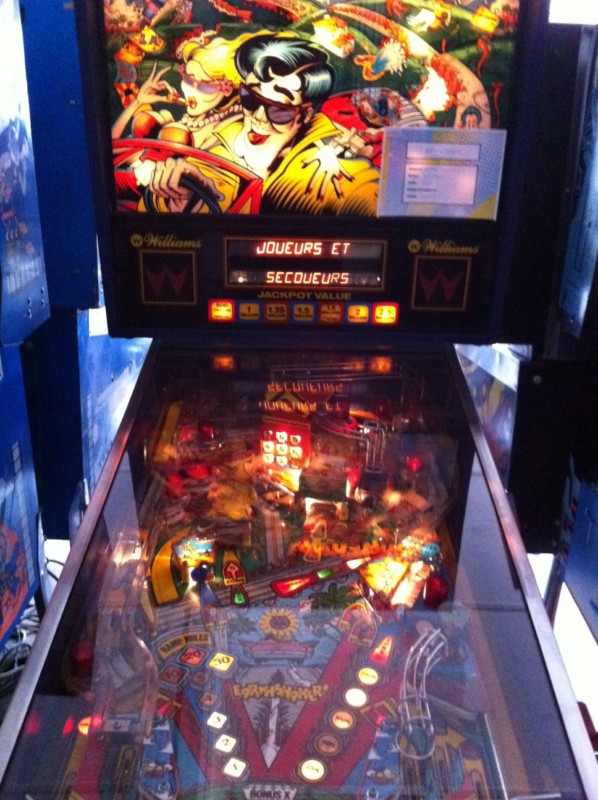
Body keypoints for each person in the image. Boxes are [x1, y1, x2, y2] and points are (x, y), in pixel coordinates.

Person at [146, 34, 379, 215]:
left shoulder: (329, 164)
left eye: (278, 109)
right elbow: (210, 182)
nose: (258, 116)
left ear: (305, 115)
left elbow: (369, 199)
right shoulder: (228, 136)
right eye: (250, 98)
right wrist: (184, 197)